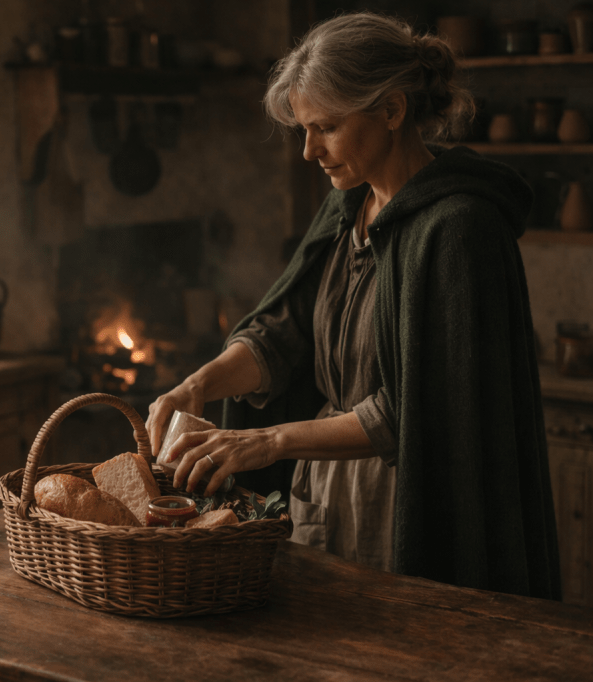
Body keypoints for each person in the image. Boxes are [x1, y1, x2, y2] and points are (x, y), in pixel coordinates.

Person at [145, 12, 560, 600]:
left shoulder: (460, 228)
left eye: (327, 128)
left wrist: (268, 441)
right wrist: (198, 384)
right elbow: (282, 332)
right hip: (324, 485)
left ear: (391, 111)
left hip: (406, 502)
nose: (310, 151)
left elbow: (421, 411)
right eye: (304, 130)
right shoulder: (348, 207)